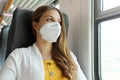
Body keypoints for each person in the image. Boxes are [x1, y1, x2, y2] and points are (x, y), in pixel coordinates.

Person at [0, 5, 87, 80]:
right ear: (36, 26)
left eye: (59, 22)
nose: (56, 26)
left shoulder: (69, 57)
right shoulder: (18, 56)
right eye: (50, 20)